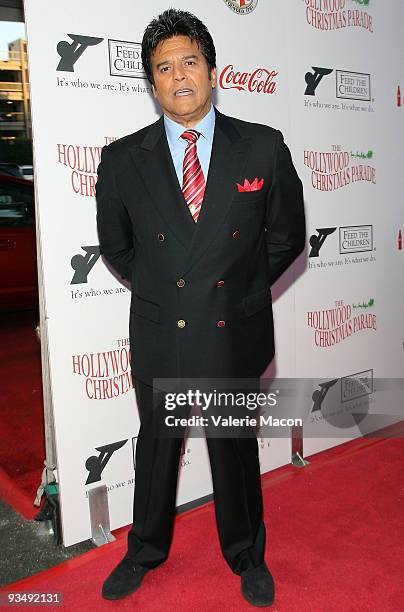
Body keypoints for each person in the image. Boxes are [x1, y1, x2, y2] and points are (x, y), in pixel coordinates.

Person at [96, 8, 305, 607]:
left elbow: (287, 236)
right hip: (163, 331)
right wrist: (169, 290)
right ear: (151, 82)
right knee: (157, 447)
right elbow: (117, 247)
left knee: (233, 449)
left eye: (189, 61)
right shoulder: (121, 160)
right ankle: (144, 550)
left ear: (213, 71)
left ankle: (247, 554)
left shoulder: (262, 148)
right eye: (164, 67)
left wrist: (232, 288)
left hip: (231, 329)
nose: (178, 76)